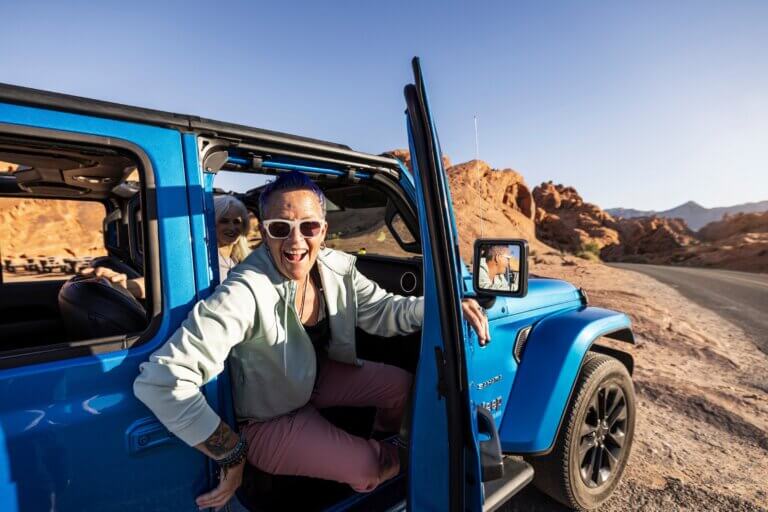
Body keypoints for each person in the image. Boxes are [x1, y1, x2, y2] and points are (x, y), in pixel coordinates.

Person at [133, 172, 490, 511]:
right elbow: (162, 381)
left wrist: (444, 307)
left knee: (401, 386)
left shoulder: (337, 267)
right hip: (268, 417)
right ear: (264, 232)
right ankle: (402, 465)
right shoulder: (245, 289)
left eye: (309, 227)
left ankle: (389, 445)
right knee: (367, 468)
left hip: (313, 378)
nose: (295, 241)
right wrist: (231, 453)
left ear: (324, 229)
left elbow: (383, 310)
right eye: (280, 229)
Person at [84, 195, 251, 298]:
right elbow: (160, 286)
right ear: (210, 224)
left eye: (237, 222)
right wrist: (121, 286)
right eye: (224, 221)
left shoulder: (244, 261)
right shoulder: (196, 260)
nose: (232, 227)